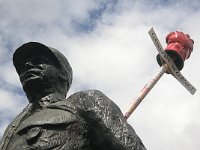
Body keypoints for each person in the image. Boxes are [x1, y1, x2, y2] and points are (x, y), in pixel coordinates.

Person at [0, 42, 146, 150]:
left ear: (63, 74)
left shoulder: (84, 101)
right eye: (24, 66)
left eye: (39, 62)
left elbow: (130, 146)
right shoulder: (13, 126)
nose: (28, 66)